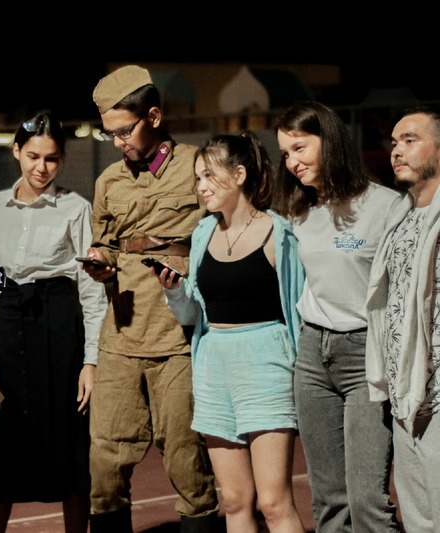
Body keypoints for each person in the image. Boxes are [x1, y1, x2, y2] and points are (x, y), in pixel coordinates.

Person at [79, 64, 220, 532]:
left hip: (178, 339)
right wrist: (99, 262)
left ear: (154, 116)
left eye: (124, 131)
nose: (117, 142)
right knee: (104, 463)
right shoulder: (108, 182)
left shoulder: (197, 168)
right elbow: (106, 245)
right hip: (120, 338)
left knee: (186, 459)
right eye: (109, 134)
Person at [0, 112, 108, 533]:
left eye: (51, 158)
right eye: (32, 156)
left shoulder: (76, 208)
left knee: (71, 443)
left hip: (60, 326)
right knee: (2, 441)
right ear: (16, 151)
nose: (41, 167)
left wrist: (91, 361)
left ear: (61, 159)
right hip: (7, 326)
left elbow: (91, 290)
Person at [157, 131, 306, 532]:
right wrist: (174, 291)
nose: (201, 186)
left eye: (209, 175)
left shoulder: (280, 233)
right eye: (198, 178)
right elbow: (193, 314)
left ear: (239, 175)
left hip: (266, 363)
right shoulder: (203, 232)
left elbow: (299, 309)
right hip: (214, 365)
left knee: (273, 502)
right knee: (236, 500)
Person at [274, 101, 402, 533]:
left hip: (366, 355)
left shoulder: (387, 206)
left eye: (300, 148)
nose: (292, 162)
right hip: (313, 355)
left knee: (367, 500)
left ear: (329, 141)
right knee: (328, 500)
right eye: (285, 153)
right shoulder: (299, 209)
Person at [367, 106, 440, 533]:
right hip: (406, 396)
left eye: (411, 140)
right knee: (417, 522)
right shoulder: (399, 216)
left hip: (438, 393)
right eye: (394, 142)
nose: (397, 150)